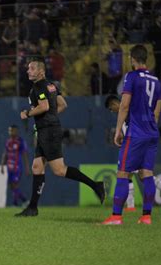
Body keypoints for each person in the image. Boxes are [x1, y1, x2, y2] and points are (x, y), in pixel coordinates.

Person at [16, 58, 105, 217]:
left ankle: (96, 185)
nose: (28, 71)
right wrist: (50, 117)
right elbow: (63, 104)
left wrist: (27, 113)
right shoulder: (51, 85)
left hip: (49, 132)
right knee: (37, 167)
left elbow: (44, 106)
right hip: (47, 129)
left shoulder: (38, 86)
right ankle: (32, 207)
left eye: (31, 68)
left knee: (59, 170)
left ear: (41, 71)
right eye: (28, 68)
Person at [102, 45, 161, 225]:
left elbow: (124, 105)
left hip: (135, 133)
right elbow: (157, 111)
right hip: (152, 132)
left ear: (132, 58)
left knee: (122, 173)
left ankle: (116, 216)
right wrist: (151, 128)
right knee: (147, 173)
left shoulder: (132, 77)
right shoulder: (156, 80)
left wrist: (118, 129)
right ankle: (146, 217)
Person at [105, 94, 161, 210]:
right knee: (140, 175)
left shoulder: (127, 111)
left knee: (127, 173)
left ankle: (132, 206)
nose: (111, 111)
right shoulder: (126, 114)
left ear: (114, 104)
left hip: (136, 146)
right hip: (139, 144)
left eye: (110, 108)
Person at [0, 125, 30, 206]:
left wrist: (27, 168)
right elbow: (5, 154)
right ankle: (23, 201)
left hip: (17, 168)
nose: (10, 132)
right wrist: (2, 165)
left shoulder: (20, 141)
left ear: (16, 131)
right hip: (9, 168)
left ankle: (17, 203)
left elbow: (24, 155)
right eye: (9, 130)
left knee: (14, 185)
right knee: (12, 187)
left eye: (12, 130)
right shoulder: (8, 142)